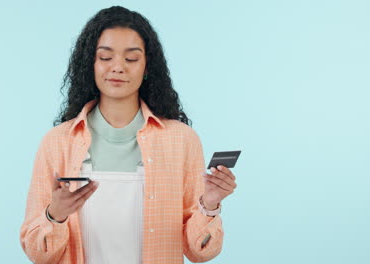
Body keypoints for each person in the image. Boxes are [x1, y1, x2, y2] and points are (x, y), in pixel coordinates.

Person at [20, 5, 237, 264]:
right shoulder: (57, 142)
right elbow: (38, 254)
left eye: (131, 59)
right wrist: (55, 215)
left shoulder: (181, 140)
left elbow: (199, 252)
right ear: (90, 64)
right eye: (105, 57)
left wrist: (209, 205)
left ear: (147, 67)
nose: (118, 67)